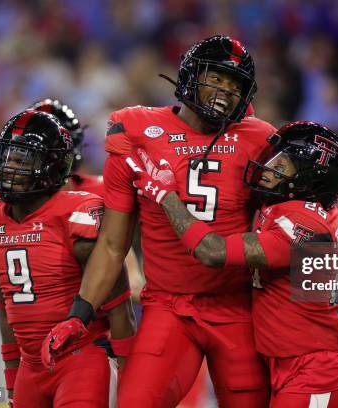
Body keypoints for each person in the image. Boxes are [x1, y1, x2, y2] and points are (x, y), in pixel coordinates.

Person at [43, 35, 276, 407]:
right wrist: (80, 312)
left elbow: (284, 228)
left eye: (235, 85)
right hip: (170, 307)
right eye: (216, 78)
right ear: (189, 75)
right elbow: (114, 244)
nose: (225, 91)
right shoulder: (137, 132)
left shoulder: (260, 139)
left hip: (238, 305)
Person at [128, 121, 338, 407]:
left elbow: (213, 252)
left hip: (313, 374)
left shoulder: (304, 227)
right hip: (290, 367)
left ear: (309, 180)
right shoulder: (296, 208)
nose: (269, 169)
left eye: (282, 165)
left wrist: (167, 196)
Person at [0, 99, 144, 369]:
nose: (22, 162)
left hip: (86, 331)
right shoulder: (1, 191)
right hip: (22, 321)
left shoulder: (91, 196)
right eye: (19, 153)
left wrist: (131, 276)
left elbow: (114, 247)